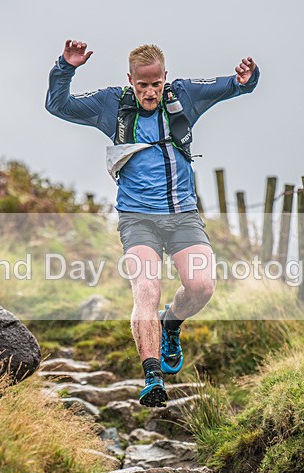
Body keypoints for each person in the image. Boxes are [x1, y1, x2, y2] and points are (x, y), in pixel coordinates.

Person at [46, 40, 259, 407]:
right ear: (130, 80)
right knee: (146, 289)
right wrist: (66, 67)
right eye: (142, 85)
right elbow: (58, 105)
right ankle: (152, 376)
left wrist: (247, 78)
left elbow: (234, 86)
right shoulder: (111, 104)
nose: (149, 92)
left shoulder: (185, 97)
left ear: (165, 78)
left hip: (182, 216)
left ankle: (171, 323)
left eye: (156, 84)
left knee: (202, 287)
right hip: (137, 219)